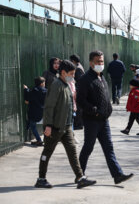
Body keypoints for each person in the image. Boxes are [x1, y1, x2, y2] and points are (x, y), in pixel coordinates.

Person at [35, 60, 96, 189]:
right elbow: (49, 107)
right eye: (71, 74)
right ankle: (41, 178)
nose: (73, 76)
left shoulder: (67, 84)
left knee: (72, 152)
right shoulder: (56, 85)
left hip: (66, 126)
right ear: (63, 73)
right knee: (47, 152)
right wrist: (48, 126)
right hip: (55, 127)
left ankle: (80, 177)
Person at [77, 51, 133, 185]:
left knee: (109, 148)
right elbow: (80, 100)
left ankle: (117, 175)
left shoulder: (102, 78)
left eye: (102, 61)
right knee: (88, 147)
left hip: (104, 120)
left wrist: (109, 109)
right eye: (97, 62)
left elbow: (105, 97)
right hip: (91, 120)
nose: (100, 64)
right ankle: (79, 175)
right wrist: (94, 110)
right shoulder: (85, 79)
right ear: (91, 63)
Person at [23, 77, 47, 146]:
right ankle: (47, 140)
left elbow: (27, 98)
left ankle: (39, 140)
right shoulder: (46, 91)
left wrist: (26, 89)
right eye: (44, 82)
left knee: (33, 126)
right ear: (42, 83)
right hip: (44, 111)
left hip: (33, 112)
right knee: (46, 126)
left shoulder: (33, 91)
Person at [70, 54, 85, 130]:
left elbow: (79, 81)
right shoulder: (79, 66)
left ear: (73, 61)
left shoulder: (78, 69)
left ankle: (79, 124)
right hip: (79, 89)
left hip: (79, 90)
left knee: (78, 109)